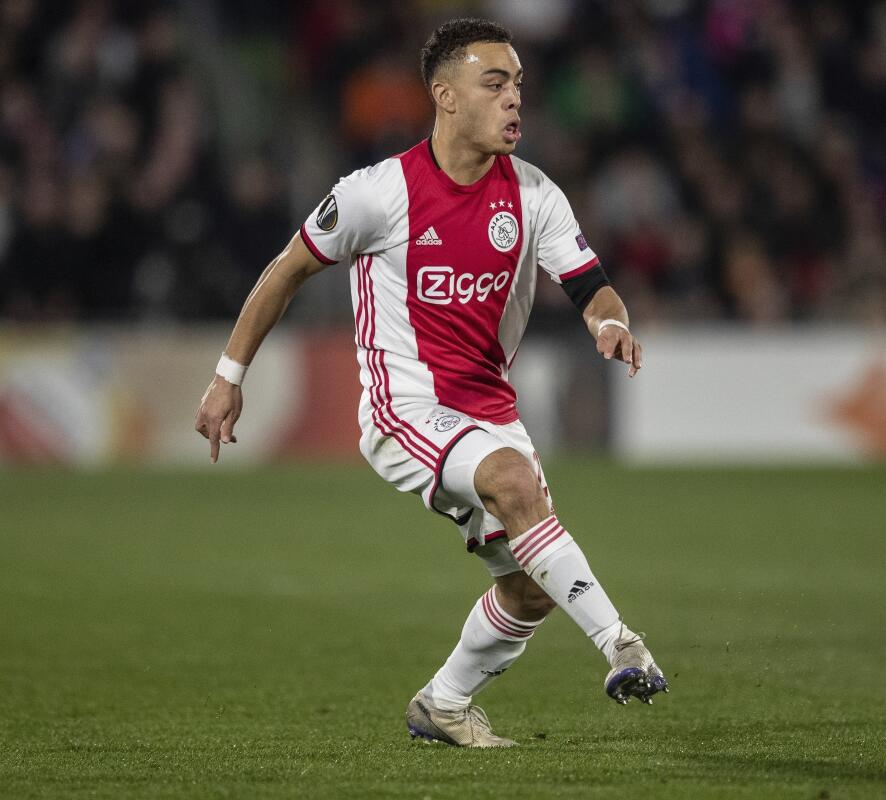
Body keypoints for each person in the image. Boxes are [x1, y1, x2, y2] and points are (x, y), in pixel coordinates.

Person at [193, 18, 667, 748]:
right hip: (405, 408)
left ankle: (443, 705)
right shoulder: (377, 194)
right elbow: (285, 270)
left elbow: (592, 286)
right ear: (445, 96)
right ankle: (622, 647)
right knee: (512, 481)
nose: (515, 100)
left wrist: (607, 323)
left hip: (489, 412)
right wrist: (229, 377)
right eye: (495, 83)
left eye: (519, 85)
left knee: (532, 585)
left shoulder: (536, 196)